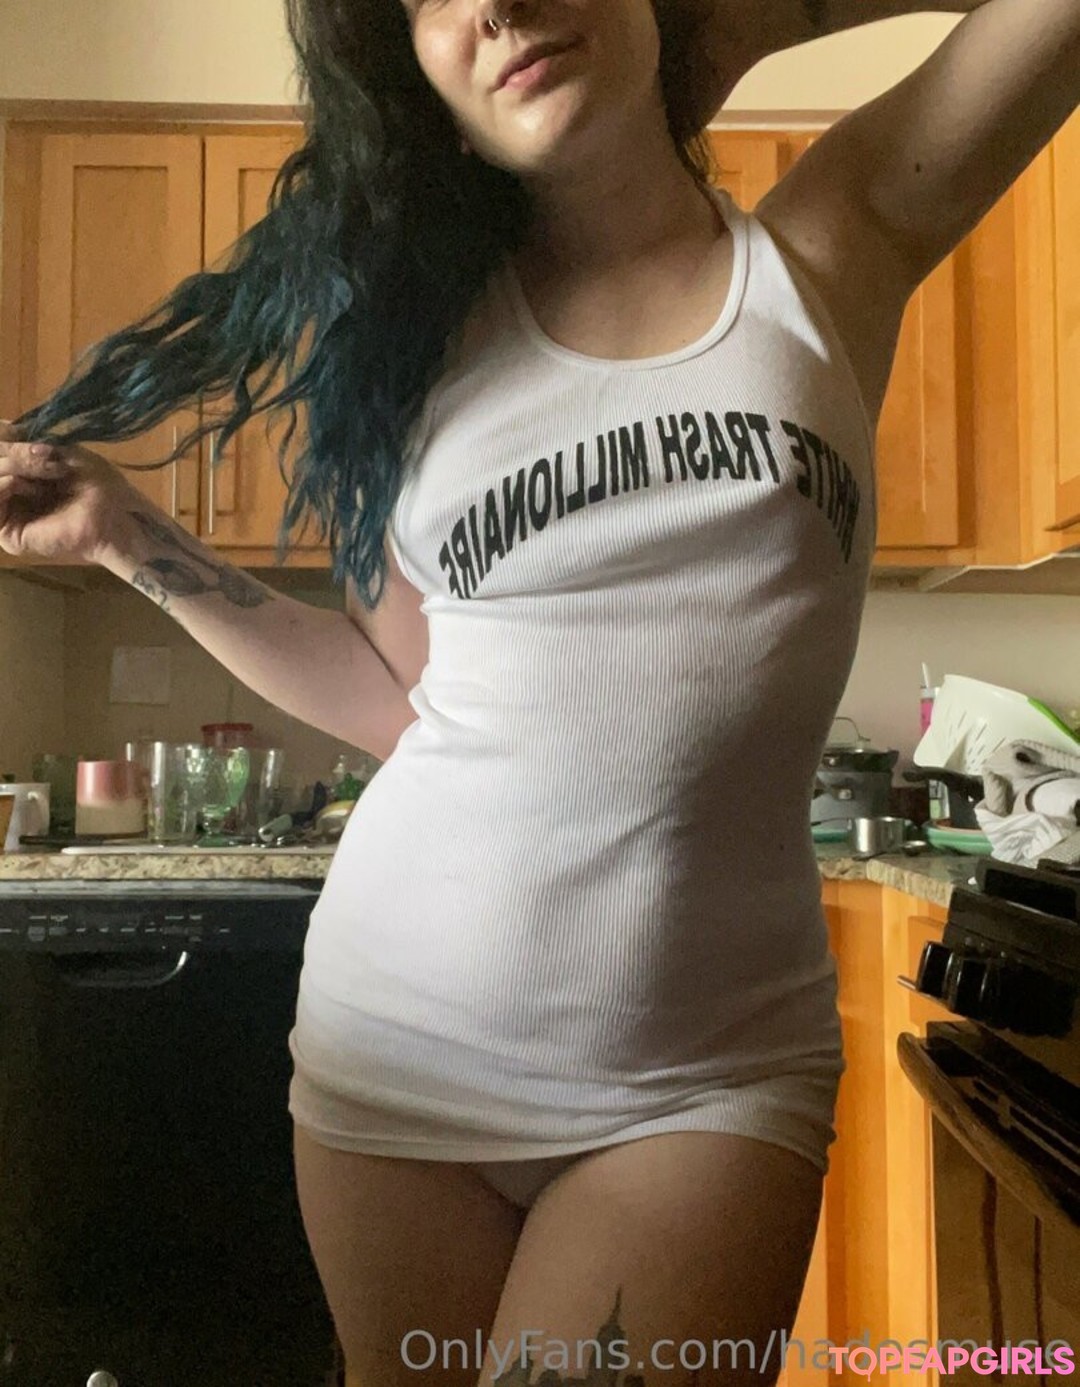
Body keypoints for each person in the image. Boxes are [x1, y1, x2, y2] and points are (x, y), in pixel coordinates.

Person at [1, 0, 1073, 1381]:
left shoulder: (825, 248)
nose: (495, 3)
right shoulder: (410, 353)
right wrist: (125, 537)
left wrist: (734, 23)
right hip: (395, 1056)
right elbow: (395, 697)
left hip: (696, 1081)